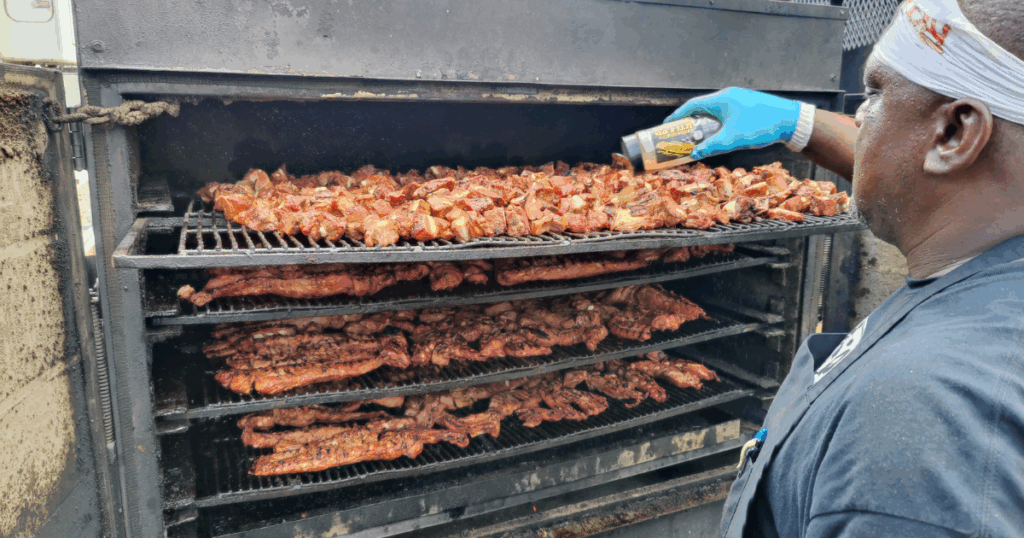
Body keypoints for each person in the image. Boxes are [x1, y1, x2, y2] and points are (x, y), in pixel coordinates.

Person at [664, 0, 1024, 536]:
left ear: (955, 133)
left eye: (875, 93)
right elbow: (919, 159)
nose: (856, 115)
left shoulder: (919, 418)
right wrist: (797, 122)